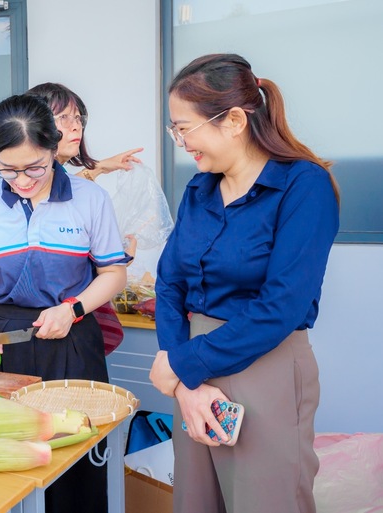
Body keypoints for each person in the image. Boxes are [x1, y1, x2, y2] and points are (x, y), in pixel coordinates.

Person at [149, 53, 339, 513]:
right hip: (192, 366)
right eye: (175, 130)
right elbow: (169, 283)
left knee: (266, 500)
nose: (181, 142)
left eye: (184, 128)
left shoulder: (303, 186)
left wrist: (181, 365)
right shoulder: (200, 190)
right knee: (195, 500)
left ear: (234, 120)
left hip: (264, 362)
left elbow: (282, 307)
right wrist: (184, 379)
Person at [0, 94, 128, 513]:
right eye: (7, 169)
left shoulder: (89, 199)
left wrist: (73, 309)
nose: (22, 180)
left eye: (34, 167)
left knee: (76, 466)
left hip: (73, 337)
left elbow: (114, 274)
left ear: (54, 149)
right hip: (7, 344)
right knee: (11, 460)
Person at [27, 82, 141, 256]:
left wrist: (100, 167)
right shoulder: (30, 182)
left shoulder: (54, 174)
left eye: (78, 118)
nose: (76, 126)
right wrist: (115, 260)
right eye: (64, 118)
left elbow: (64, 189)